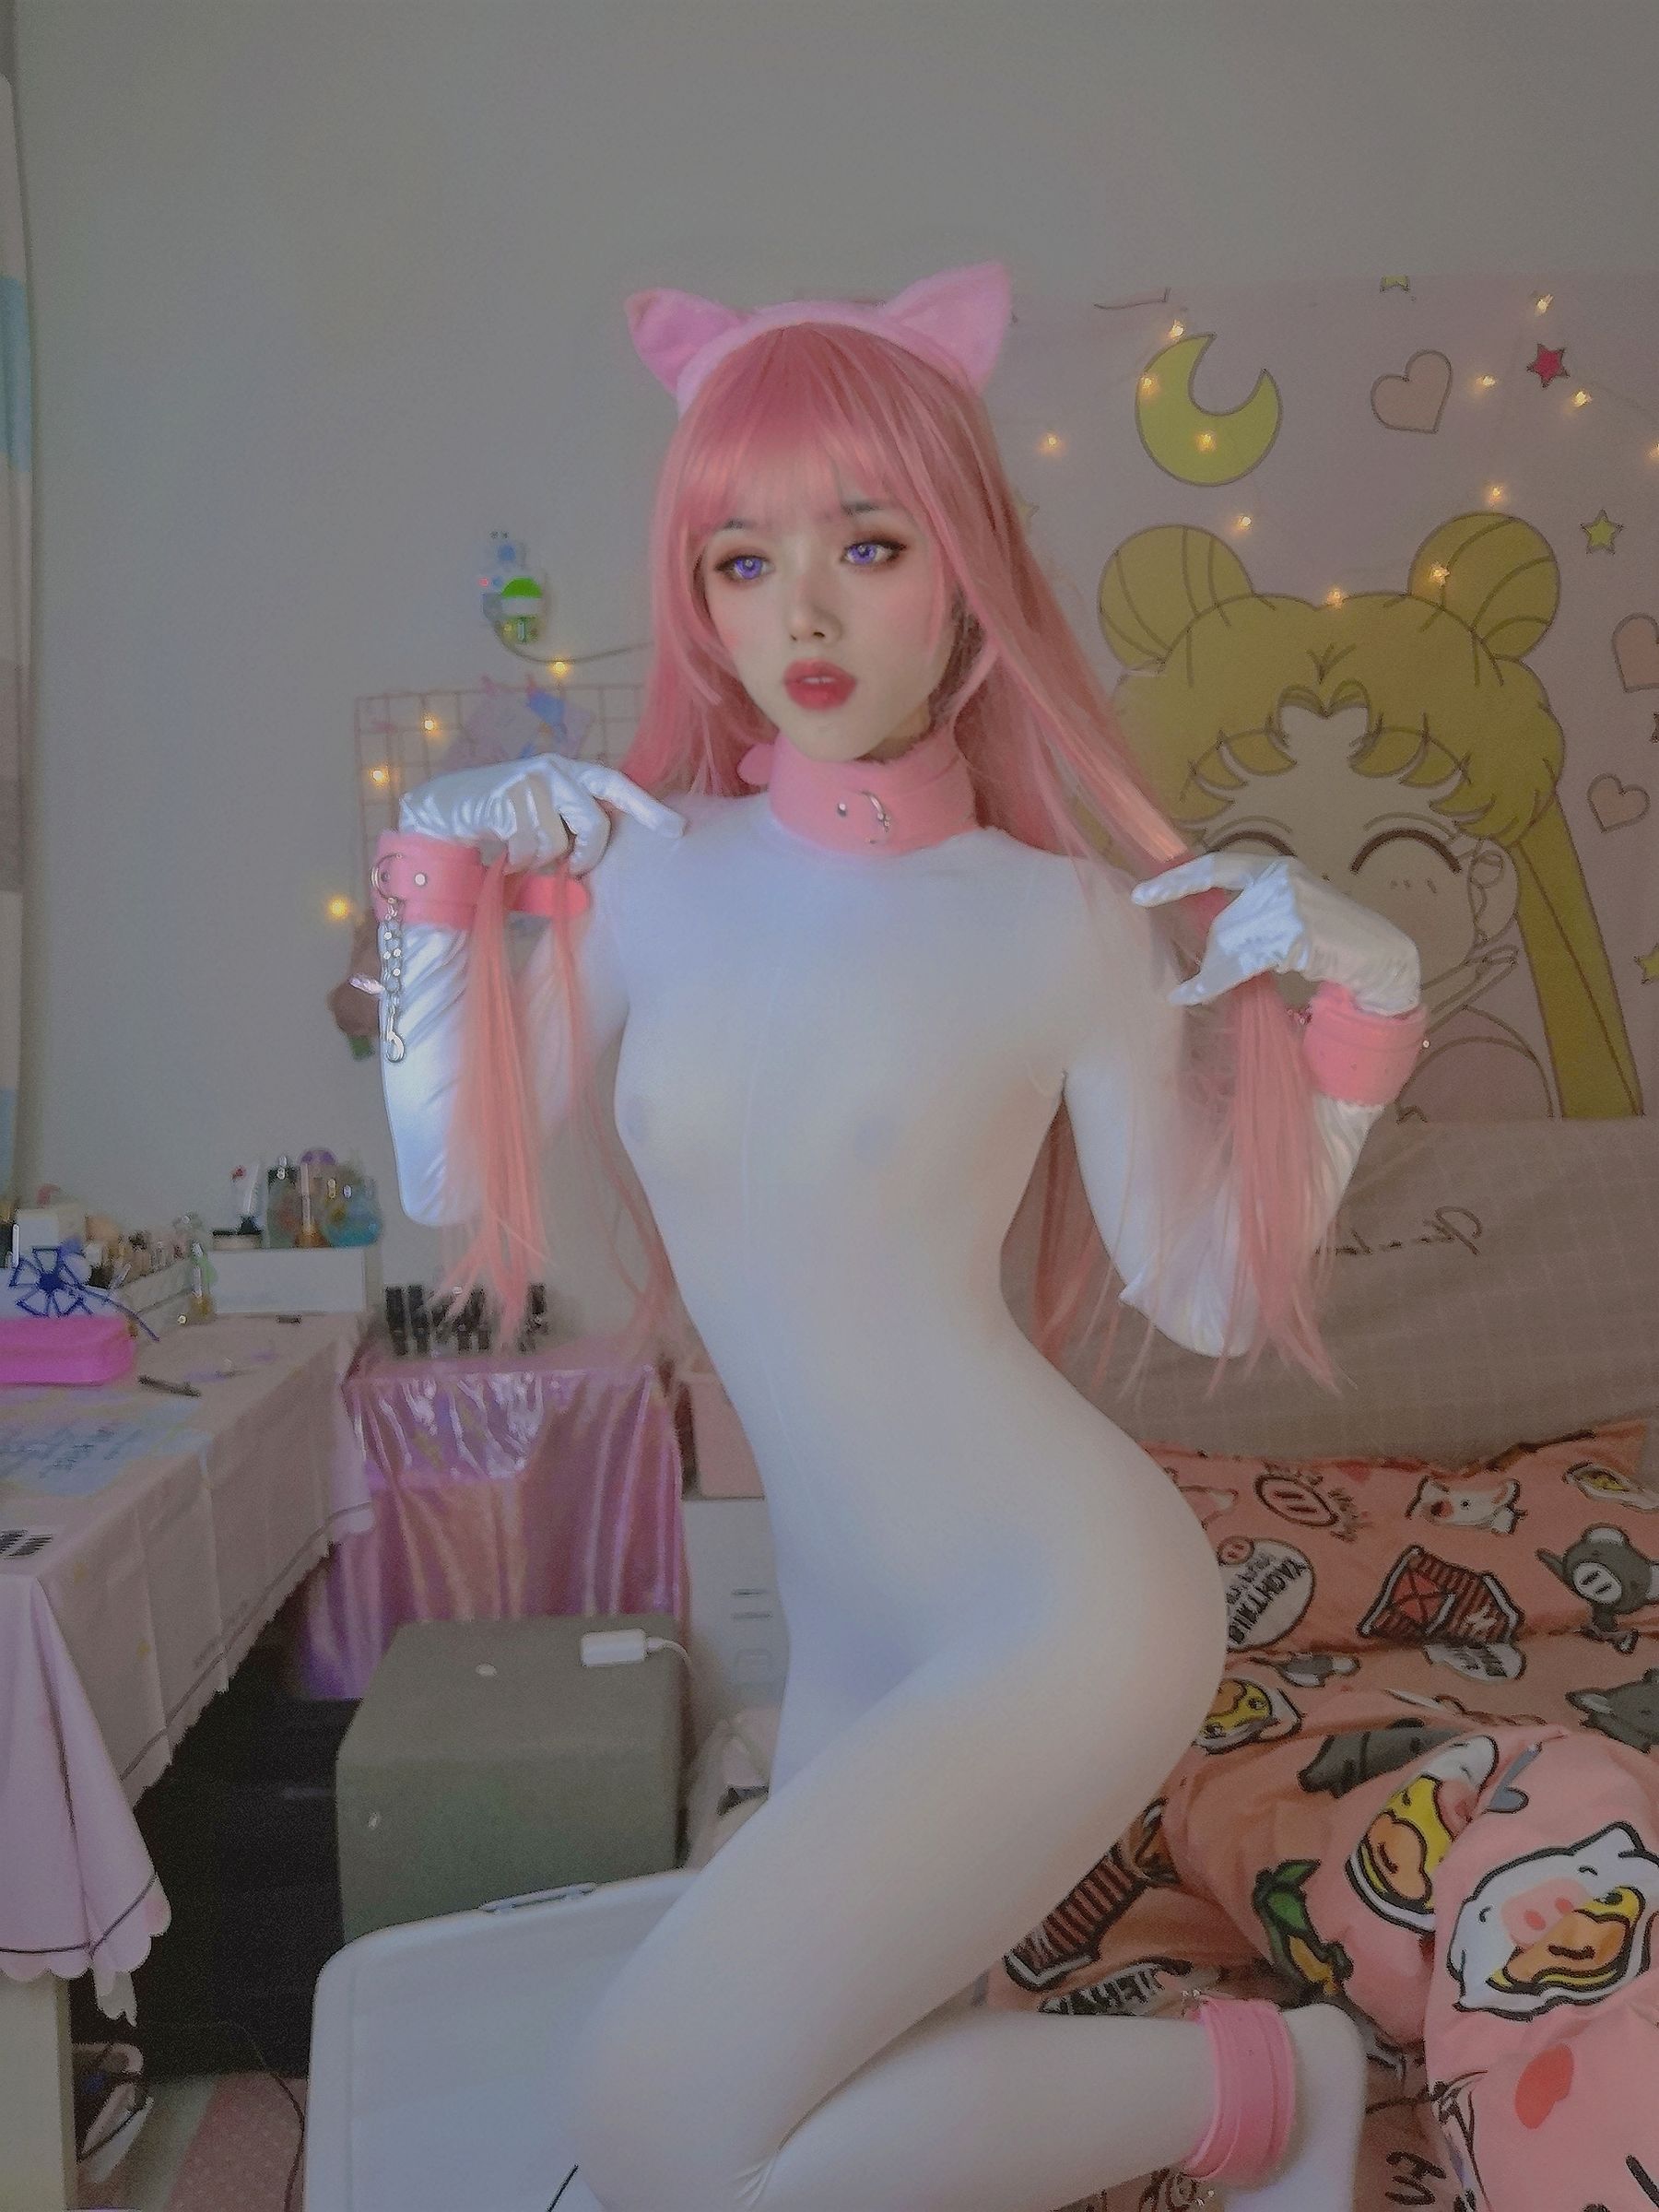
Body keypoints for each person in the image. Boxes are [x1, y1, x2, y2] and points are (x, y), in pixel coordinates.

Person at [371, 262, 1429, 2212]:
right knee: (793, 2112)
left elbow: (1203, 1298)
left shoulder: (1062, 923)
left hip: (1070, 1606)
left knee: (652, 2119)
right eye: (743, 561)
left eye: (866, 544)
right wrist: (435, 864)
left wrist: (1362, 1031)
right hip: (856, 1618)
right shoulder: (648, 882)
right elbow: (448, 1176)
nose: (806, 614)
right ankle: (1253, 2085)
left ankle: (1271, 2082)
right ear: (698, 599)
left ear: (966, 568)